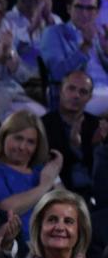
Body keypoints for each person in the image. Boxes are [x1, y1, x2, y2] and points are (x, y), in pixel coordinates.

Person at [0, 110, 63, 239]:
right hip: (17, 247)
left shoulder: (41, 170)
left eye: (31, 142)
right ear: (4, 136)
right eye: (18, 138)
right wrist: (44, 186)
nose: (23, 147)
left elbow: (67, 205)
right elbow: (5, 210)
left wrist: (55, 173)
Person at [40, 0, 108, 115]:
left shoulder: (100, 34)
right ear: (69, 8)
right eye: (79, 7)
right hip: (80, 95)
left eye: (90, 8)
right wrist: (85, 46)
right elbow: (57, 74)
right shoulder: (54, 33)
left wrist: (106, 53)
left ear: (97, 11)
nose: (84, 13)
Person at [42, 71, 106, 199]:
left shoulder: (97, 126)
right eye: (71, 88)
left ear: (89, 97)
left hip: (97, 193)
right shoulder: (42, 125)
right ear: (61, 91)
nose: (76, 95)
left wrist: (98, 146)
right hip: (58, 194)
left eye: (83, 92)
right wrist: (73, 147)